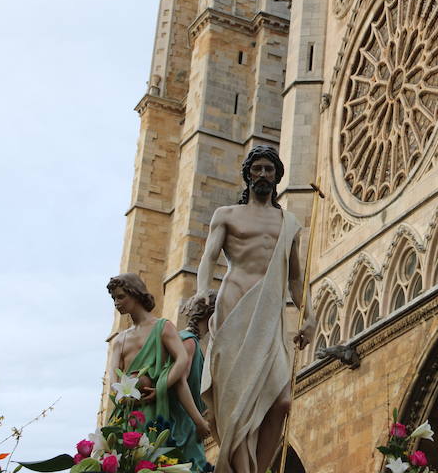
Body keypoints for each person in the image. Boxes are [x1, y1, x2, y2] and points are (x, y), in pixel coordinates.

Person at [192, 145, 316, 473]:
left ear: (277, 177)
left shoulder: (288, 222)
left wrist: (310, 317)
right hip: (234, 306)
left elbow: (295, 277)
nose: (263, 174)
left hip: (269, 315)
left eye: (269, 170)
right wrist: (203, 291)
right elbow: (208, 258)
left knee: (283, 401)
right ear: (248, 174)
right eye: (258, 168)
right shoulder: (227, 215)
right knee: (236, 405)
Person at [106, 274, 212, 447]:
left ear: (135, 294)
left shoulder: (163, 327)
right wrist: (123, 399)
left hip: (156, 410)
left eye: (120, 296)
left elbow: (182, 361)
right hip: (127, 413)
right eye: (113, 298)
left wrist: (160, 386)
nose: (116, 302)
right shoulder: (119, 340)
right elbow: (114, 380)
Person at [171, 289, 218, 472]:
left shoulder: (190, 341)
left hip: (187, 423)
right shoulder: (189, 341)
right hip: (184, 425)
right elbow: (179, 382)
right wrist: (199, 421)